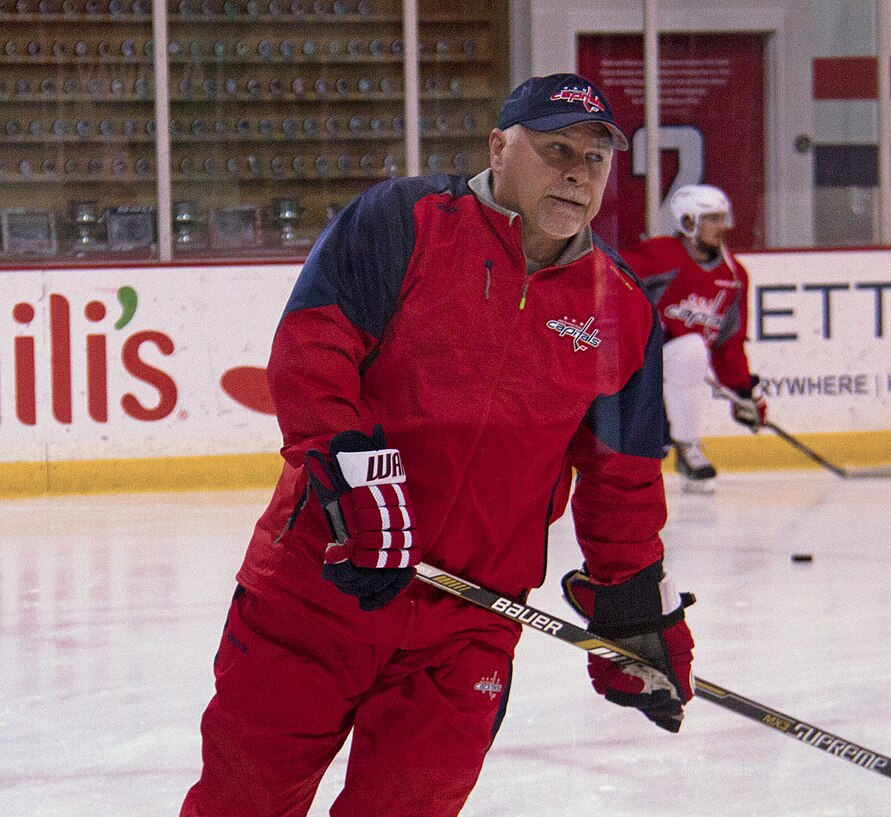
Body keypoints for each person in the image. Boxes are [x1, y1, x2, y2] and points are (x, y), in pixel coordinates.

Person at [179, 73, 696, 817]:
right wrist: (351, 472)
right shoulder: (403, 220)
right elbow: (312, 349)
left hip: (469, 626)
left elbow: (623, 476)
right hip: (320, 586)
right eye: (556, 150)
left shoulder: (619, 306)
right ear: (499, 146)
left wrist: (633, 601)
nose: (577, 174)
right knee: (242, 802)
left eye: (595, 160)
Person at [621, 184, 768, 493]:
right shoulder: (658, 256)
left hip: (675, 361)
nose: (720, 227)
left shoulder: (733, 276)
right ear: (688, 223)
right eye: (710, 219)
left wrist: (742, 392)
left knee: (691, 349)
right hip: (630, 357)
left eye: (722, 218)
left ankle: (688, 446)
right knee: (639, 448)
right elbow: (607, 283)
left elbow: (728, 342)